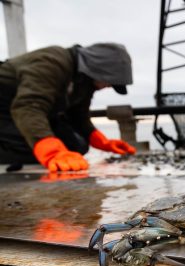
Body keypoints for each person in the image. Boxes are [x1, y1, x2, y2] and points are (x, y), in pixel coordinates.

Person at [0, 43, 136, 172]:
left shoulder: (84, 82)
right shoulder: (53, 62)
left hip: (23, 115)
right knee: (28, 146)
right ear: (99, 70)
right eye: (110, 82)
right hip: (10, 112)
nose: (108, 87)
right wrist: (51, 151)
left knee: (76, 146)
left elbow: (78, 115)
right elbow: (28, 106)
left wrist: (102, 141)